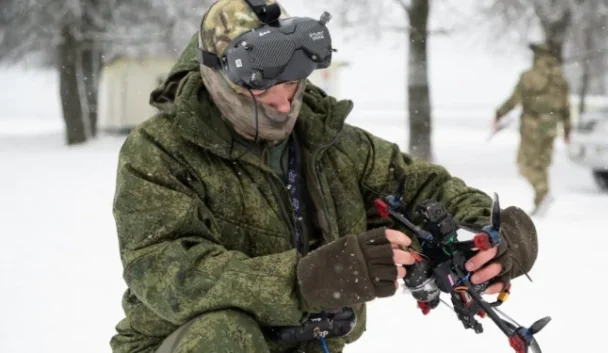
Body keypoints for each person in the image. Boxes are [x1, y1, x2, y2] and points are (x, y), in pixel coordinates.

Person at [109, 1, 540, 352]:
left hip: (307, 343)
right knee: (226, 333)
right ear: (216, 79)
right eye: (263, 88)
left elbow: (422, 187)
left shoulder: (328, 141)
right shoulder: (159, 150)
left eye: (294, 82)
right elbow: (166, 272)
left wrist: (493, 234)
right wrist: (312, 278)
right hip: (181, 343)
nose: (284, 102)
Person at [493, 42, 572, 216]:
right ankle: (541, 200)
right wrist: (567, 130)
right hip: (552, 127)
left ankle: (542, 192)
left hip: (532, 128)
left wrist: (499, 114)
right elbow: (566, 108)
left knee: (524, 165)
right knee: (541, 164)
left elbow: (514, 100)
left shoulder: (528, 76)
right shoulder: (561, 80)